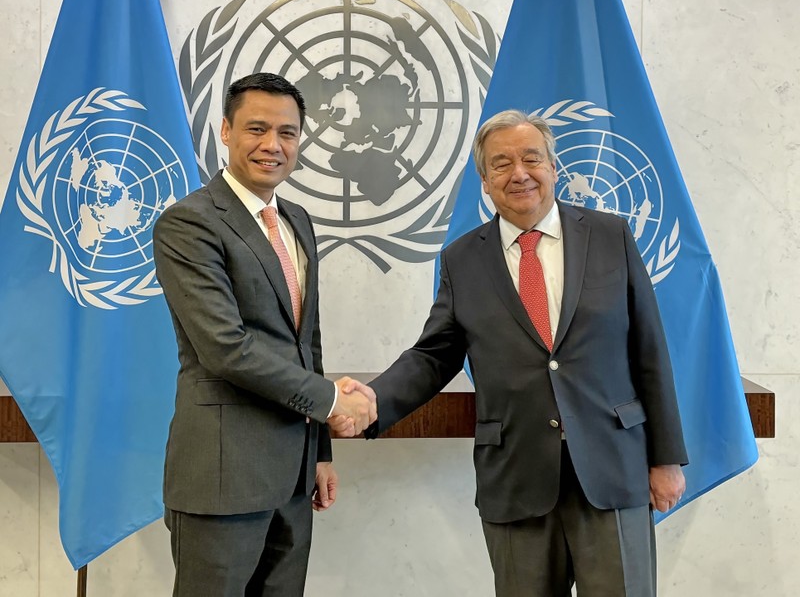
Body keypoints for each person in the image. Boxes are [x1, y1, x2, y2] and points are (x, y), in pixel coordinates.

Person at [334, 110, 688, 596]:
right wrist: (373, 400)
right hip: (517, 479)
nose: (519, 173)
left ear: (554, 167)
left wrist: (665, 458)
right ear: (485, 181)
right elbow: (434, 354)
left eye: (531, 159)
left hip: (612, 470)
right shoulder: (462, 258)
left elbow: (649, 349)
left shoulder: (611, 236)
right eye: (501, 164)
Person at [153, 72, 375, 597]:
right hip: (223, 476)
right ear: (226, 131)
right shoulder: (189, 223)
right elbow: (225, 347)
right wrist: (330, 401)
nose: (272, 145)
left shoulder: (296, 219)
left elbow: (307, 345)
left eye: (288, 133)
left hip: (294, 479)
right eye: (257, 129)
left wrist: (320, 451)